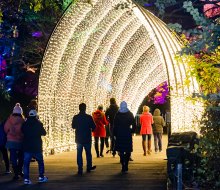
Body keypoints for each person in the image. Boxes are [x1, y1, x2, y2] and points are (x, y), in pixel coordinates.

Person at [21, 109, 48, 184]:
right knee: (40, 162)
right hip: (37, 146)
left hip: (27, 146)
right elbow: (44, 133)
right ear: (36, 115)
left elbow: (22, 131)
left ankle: (26, 179)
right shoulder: (38, 124)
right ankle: (41, 177)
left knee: (26, 163)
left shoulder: (25, 124)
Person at [72, 103, 97, 175]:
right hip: (87, 138)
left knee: (79, 154)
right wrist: (90, 130)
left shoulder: (76, 117)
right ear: (85, 108)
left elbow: (73, 126)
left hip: (79, 138)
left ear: (79, 108)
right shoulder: (89, 117)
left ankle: (80, 168)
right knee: (88, 153)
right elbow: (94, 127)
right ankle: (89, 167)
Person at [113, 101, 136, 173]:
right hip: (127, 132)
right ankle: (126, 164)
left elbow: (115, 125)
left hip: (119, 133)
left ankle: (123, 163)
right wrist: (132, 131)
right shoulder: (130, 114)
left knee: (121, 150)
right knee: (128, 149)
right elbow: (134, 124)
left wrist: (115, 133)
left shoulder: (117, 114)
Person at [4, 103, 25, 180]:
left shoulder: (9, 120)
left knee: (13, 157)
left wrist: (10, 134)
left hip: (11, 141)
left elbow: (6, 129)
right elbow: (24, 131)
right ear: (21, 112)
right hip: (20, 141)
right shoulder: (23, 121)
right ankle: (20, 170)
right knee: (21, 156)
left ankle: (16, 173)